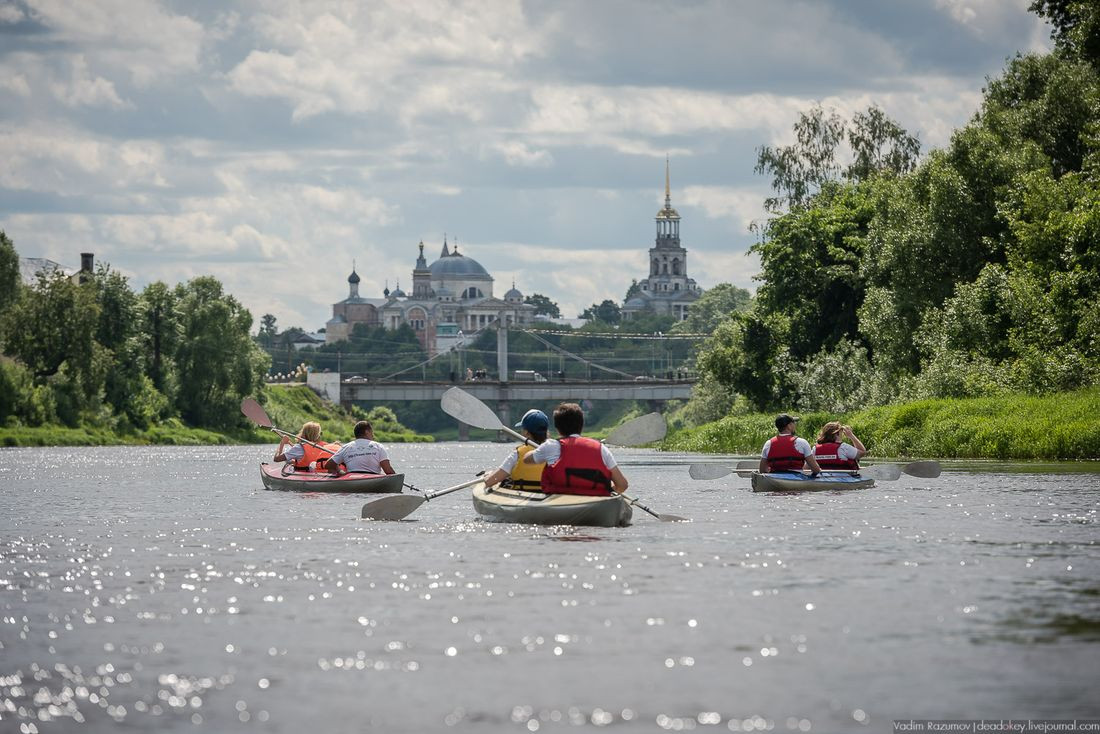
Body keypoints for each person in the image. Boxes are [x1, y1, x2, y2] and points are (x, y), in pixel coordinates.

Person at [523, 402, 629, 495]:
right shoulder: (601, 449)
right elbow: (622, 485)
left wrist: (542, 448)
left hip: (559, 501)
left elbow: (526, 459)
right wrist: (609, 492)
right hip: (596, 501)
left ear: (557, 428)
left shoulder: (550, 446)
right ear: (581, 425)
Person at [482, 409, 550, 491]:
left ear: (526, 432)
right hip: (550, 495)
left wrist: (488, 476)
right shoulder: (556, 450)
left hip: (522, 493)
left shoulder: (518, 453)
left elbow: (490, 481)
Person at [324, 420, 396, 476]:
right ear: (367, 432)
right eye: (372, 432)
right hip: (373, 479)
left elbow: (328, 465)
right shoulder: (379, 446)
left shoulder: (346, 447)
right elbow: (388, 471)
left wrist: (340, 472)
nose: (373, 435)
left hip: (351, 480)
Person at [273, 421, 338, 472]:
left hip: (306, 474)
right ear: (318, 435)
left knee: (290, 461)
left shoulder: (299, 448)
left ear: (303, 433)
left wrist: (282, 443)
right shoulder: (324, 446)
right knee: (292, 460)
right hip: (322, 472)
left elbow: (276, 459)